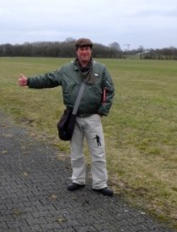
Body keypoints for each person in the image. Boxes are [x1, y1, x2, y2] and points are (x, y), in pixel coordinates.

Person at [18, 38, 115, 196]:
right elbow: (48, 79)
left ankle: (100, 183)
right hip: (73, 117)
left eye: (87, 49)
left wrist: (102, 112)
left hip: (93, 118)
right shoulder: (66, 69)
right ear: (77, 51)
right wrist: (29, 81)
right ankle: (78, 179)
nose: (85, 52)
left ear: (91, 51)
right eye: (81, 49)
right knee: (76, 151)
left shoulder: (101, 69)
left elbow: (109, 90)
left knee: (98, 153)